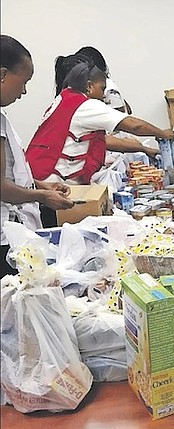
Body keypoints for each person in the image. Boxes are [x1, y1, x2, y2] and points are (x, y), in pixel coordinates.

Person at [25, 59, 174, 186]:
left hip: (37, 175)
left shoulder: (63, 99)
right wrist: (163, 133)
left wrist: (143, 149)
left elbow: (105, 141)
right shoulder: (86, 105)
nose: (103, 95)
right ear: (89, 86)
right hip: (52, 182)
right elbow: (133, 125)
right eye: (102, 88)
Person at [0, 35, 74, 277]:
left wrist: (42, 185)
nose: (23, 91)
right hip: (5, 235)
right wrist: (42, 196)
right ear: (2, 74)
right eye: (23, 82)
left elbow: (12, 173)